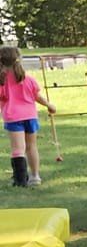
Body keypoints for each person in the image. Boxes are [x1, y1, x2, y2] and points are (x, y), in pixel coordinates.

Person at [0, 48, 56, 187]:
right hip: (30, 116)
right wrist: (49, 105)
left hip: (13, 117)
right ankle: (35, 176)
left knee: (18, 149)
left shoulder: (2, 81)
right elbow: (37, 96)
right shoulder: (28, 79)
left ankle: (20, 180)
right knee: (31, 147)